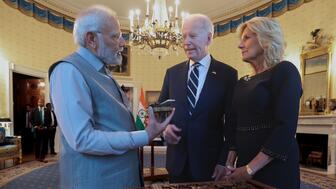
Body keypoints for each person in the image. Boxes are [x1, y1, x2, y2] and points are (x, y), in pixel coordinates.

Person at [49, 5, 174, 189]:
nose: (123, 43)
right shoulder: (68, 71)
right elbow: (82, 139)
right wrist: (145, 135)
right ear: (91, 39)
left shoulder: (104, 73)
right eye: (115, 36)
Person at [223, 17, 302, 189]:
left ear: (266, 39)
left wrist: (250, 169)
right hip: (244, 164)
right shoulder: (241, 82)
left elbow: (285, 127)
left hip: (275, 167)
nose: (240, 45)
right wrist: (229, 165)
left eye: (247, 38)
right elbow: (232, 126)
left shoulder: (285, 71)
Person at [158, 14, 238, 183]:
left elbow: (232, 124)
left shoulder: (228, 75)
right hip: (177, 162)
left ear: (209, 38)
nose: (186, 42)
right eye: (183, 36)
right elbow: (160, 110)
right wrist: (165, 129)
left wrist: (224, 161)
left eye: (192, 36)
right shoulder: (172, 73)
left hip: (210, 165)